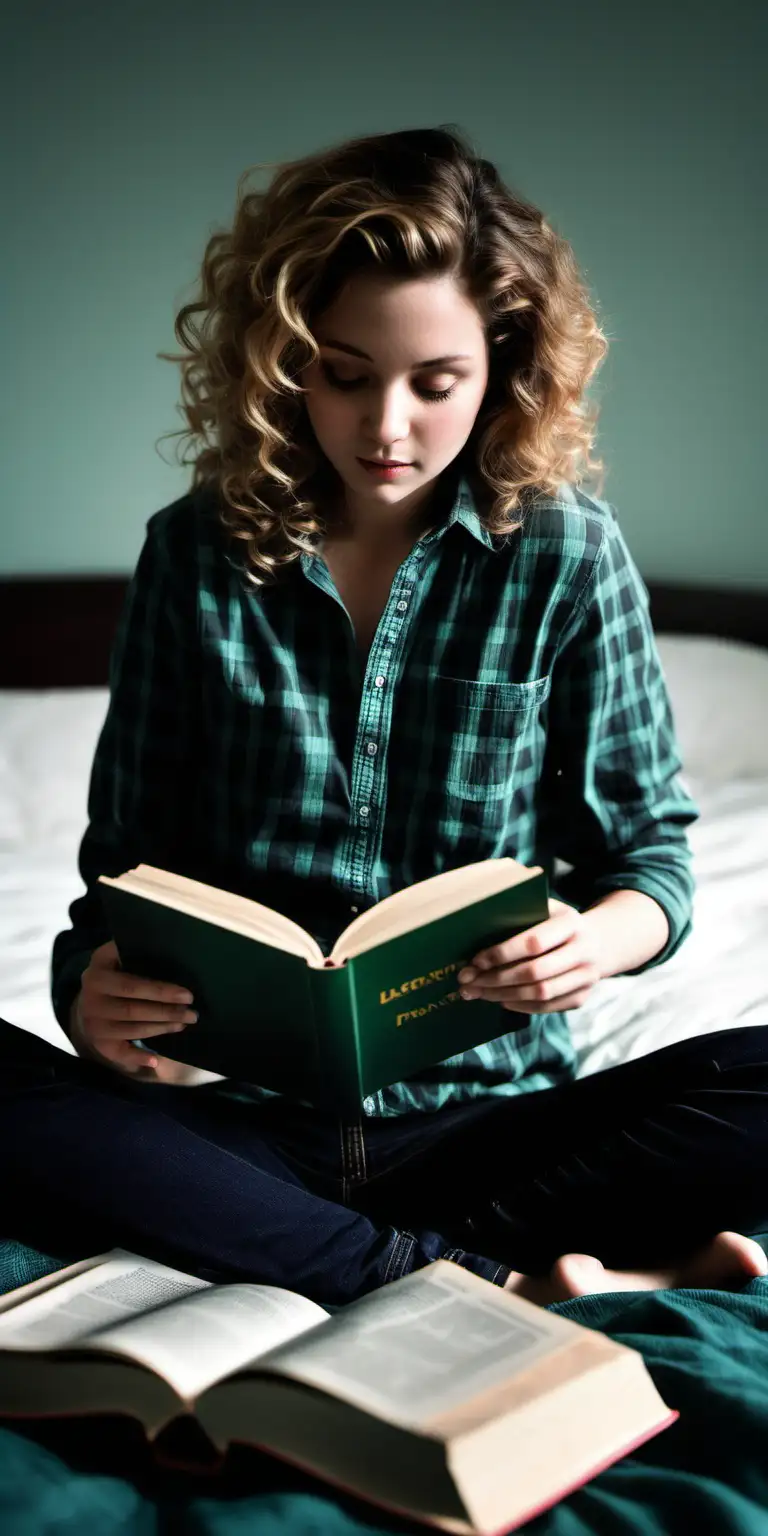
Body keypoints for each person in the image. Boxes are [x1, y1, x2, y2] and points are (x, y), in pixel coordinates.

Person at [3, 124, 768, 1310]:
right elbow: (121, 882)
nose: (387, 427)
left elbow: (651, 865)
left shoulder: (568, 557)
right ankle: (476, 1278)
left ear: (503, 364)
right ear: (284, 360)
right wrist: (89, 998)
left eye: (435, 382)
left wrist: (592, 942)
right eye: (345, 374)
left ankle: (363, 1257)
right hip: (232, 1127)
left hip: (493, 1130)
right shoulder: (192, 556)